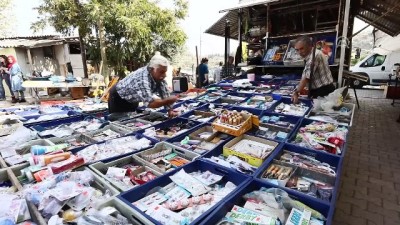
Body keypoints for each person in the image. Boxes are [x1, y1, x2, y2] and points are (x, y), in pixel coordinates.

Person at [107, 52, 179, 120]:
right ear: (152, 69)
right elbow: (151, 103)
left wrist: (170, 110)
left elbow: (164, 92)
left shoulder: (159, 76)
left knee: (132, 119)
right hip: (118, 98)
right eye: (162, 72)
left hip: (132, 98)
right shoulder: (142, 78)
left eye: (165, 72)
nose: (164, 75)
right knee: (121, 123)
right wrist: (168, 100)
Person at [291, 36, 335, 104]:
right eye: (297, 50)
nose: (299, 52)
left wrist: (296, 92)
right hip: (318, 89)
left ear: (309, 46)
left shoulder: (315, 55)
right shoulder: (310, 55)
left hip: (324, 91)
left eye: (302, 49)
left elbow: (306, 78)